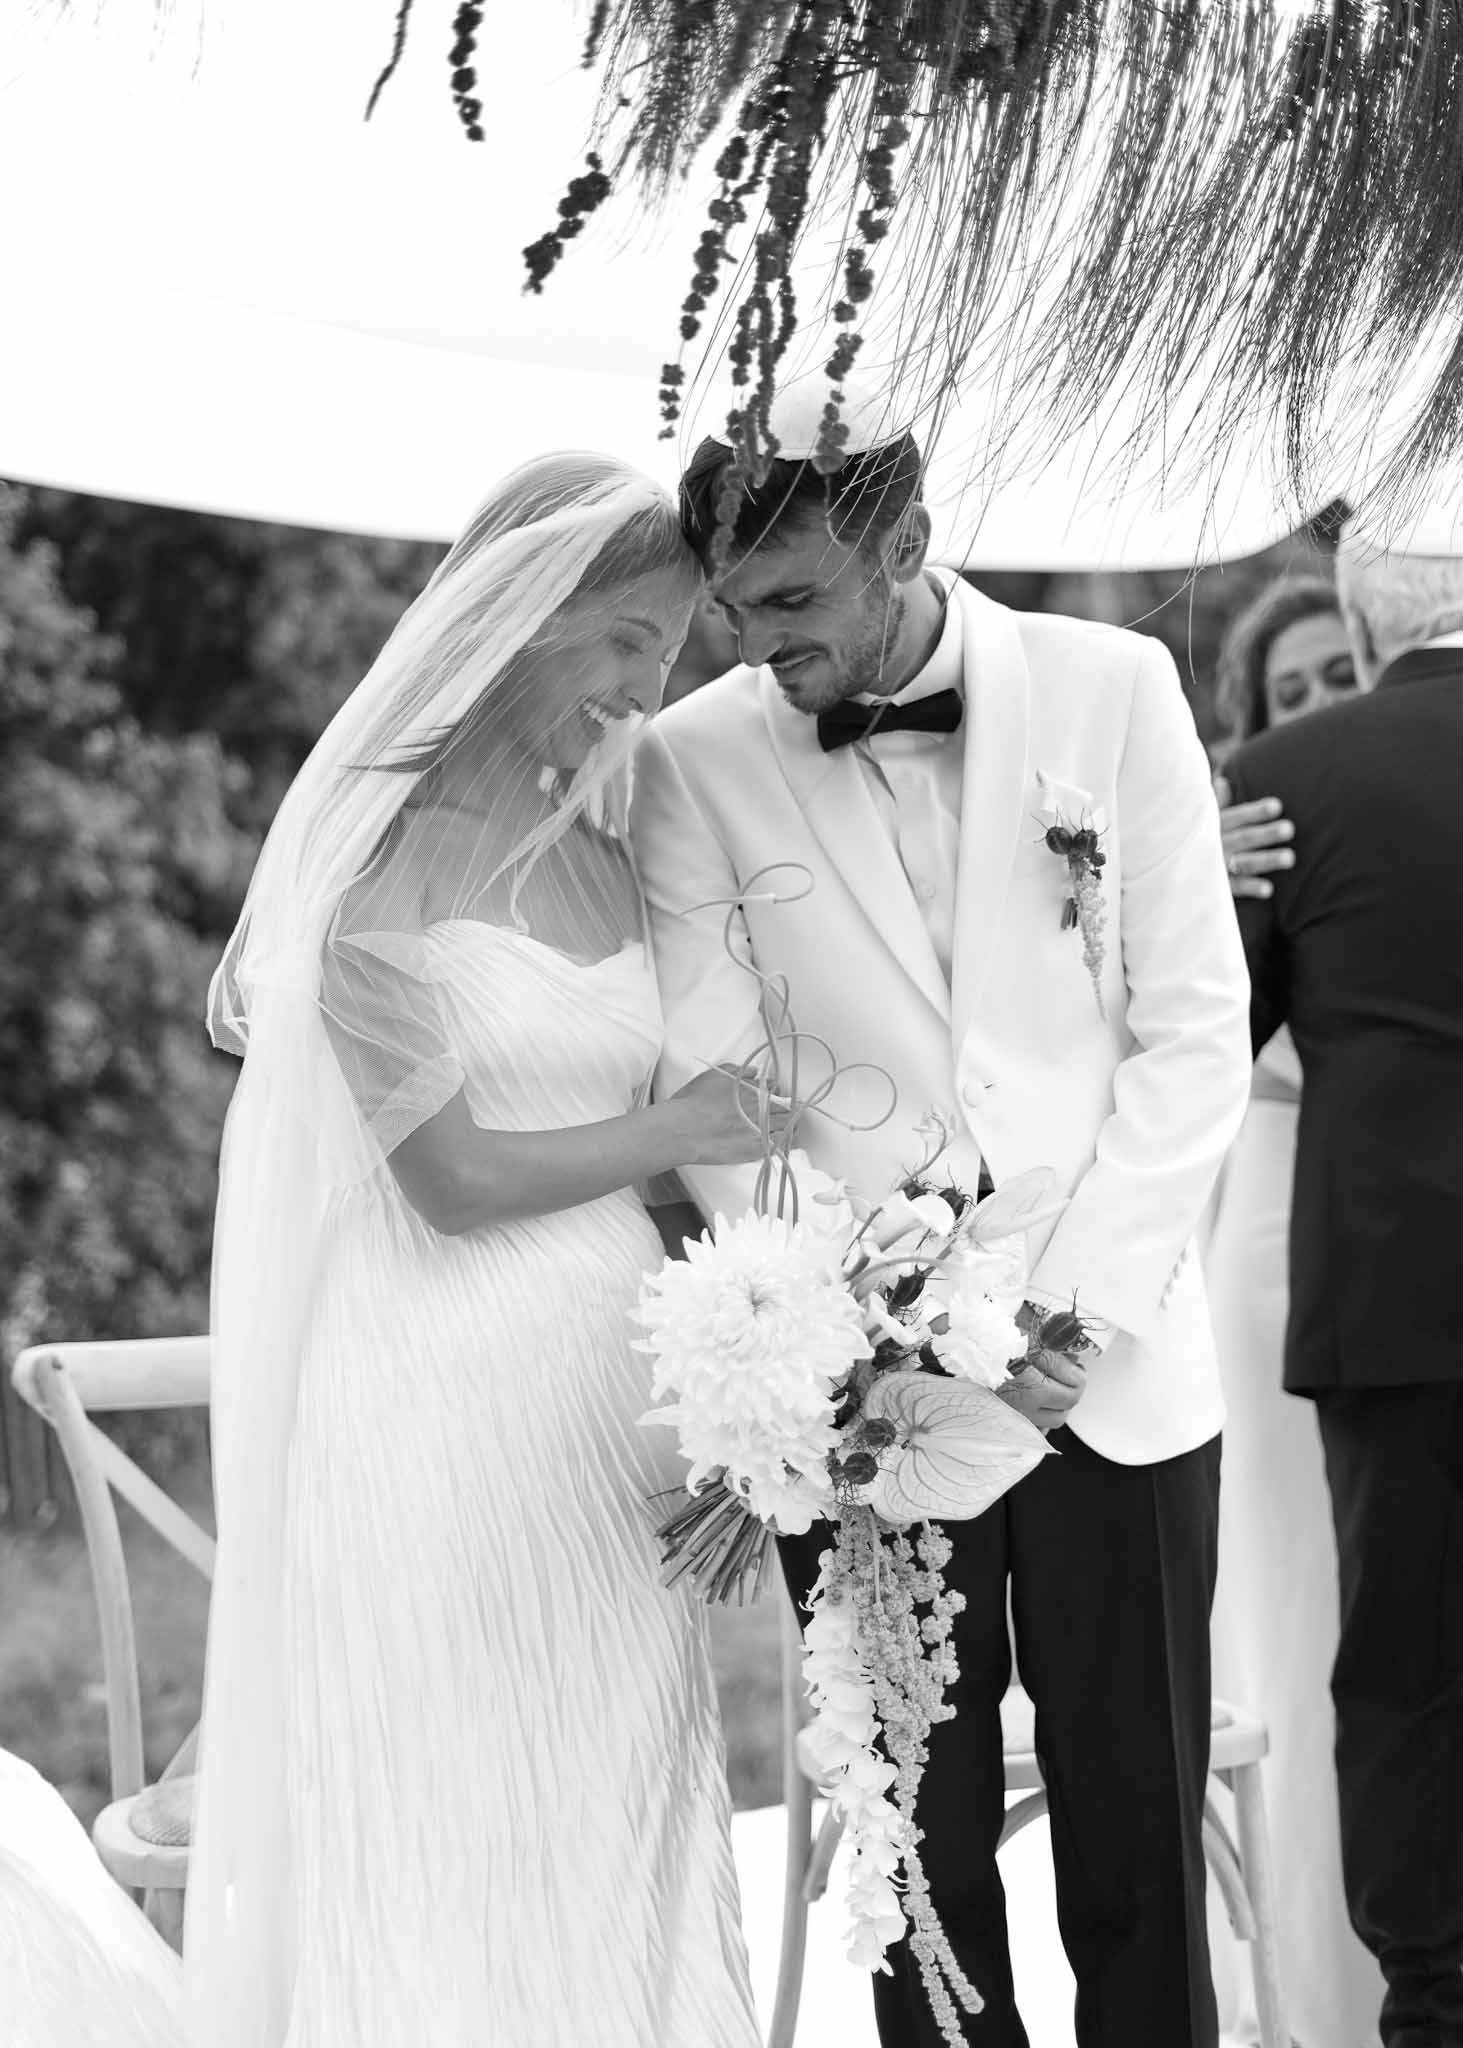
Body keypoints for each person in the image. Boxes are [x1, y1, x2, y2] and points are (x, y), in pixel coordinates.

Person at [632, 376, 1254, 2048]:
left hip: (1111, 1386)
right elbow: (713, 1081)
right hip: (859, 1410)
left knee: (1138, 1852)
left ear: (909, 541)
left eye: (793, 600)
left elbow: (1193, 1028)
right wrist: (859, 1330)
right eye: (730, 609)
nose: (754, 644)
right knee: (920, 1884)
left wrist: (1068, 1319)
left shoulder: (1116, 687)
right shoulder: (690, 766)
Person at [185, 453, 774, 2048]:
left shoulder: (610, 829)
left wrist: (757, 1356)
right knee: (451, 1794)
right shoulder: (378, 854)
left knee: (604, 1787)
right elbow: (448, 1176)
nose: (651, 686)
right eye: (626, 642)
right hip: (433, 1398)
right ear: (526, 618)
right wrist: (688, 1128)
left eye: (672, 647)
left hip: (603, 1398)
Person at [1224, 515, 1463, 2048]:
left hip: (1398, 1296)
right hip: (1388, 1298)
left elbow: (1208, 1051)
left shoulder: (1291, 782)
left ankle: (1436, 2007)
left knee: (1409, 1677)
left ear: (1366, 630)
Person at [1201, 572, 1384, 2047]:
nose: (1334, 710)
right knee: (1310, 1620)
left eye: (1348, 678)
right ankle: (1324, 1994)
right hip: (1275, 1245)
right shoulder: (1243, 852)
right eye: (1300, 696)